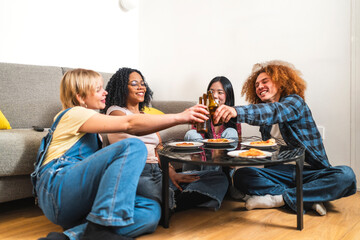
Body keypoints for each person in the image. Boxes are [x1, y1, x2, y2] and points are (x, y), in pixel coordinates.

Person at [32, 68, 209, 240]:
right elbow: (129, 124)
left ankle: (70, 236)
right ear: (80, 97)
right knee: (133, 146)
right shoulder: (73, 114)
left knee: (151, 212)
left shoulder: (95, 130)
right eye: (98, 89)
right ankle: (100, 228)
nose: (105, 92)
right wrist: (181, 117)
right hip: (57, 192)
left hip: (75, 205)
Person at [213, 60, 357, 216]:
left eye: (264, 81)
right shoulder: (265, 123)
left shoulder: (295, 102)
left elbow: (275, 111)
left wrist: (236, 112)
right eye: (256, 85)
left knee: (346, 176)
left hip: (308, 170)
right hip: (281, 172)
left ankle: (279, 198)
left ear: (280, 82)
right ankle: (307, 198)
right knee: (242, 175)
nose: (259, 87)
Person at [102, 67, 229, 217]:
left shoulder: (146, 115)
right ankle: (168, 202)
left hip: (158, 171)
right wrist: (179, 117)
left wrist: (173, 174)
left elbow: (159, 147)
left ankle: (171, 201)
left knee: (219, 178)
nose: (141, 87)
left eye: (142, 83)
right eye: (134, 83)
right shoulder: (115, 111)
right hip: (139, 173)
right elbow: (133, 124)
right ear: (122, 87)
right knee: (158, 198)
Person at [184, 76, 241, 143]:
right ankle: (199, 153)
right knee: (191, 134)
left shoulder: (234, 115)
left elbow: (238, 144)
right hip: (203, 150)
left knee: (231, 132)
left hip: (225, 151)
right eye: (211, 92)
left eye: (220, 92)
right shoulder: (201, 112)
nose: (215, 96)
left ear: (228, 96)